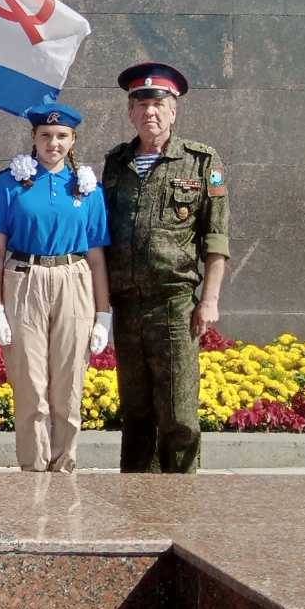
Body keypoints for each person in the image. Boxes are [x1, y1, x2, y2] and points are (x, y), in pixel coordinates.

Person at [102, 63, 229, 474]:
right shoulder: (115, 163)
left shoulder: (200, 162)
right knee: (135, 412)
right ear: (130, 113)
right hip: (126, 304)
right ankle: (136, 502)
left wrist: (208, 300)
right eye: (141, 105)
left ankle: (180, 502)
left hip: (174, 304)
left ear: (174, 111)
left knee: (178, 414)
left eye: (159, 105)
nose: (150, 113)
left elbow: (216, 239)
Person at [0, 104, 112, 474]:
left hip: (73, 278)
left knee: (70, 381)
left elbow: (97, 256)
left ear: (72, 141)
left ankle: (64, 464)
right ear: (34, 139)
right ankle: (33, 465)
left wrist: (103, 314)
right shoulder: (10, 182)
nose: (52, 143)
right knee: (29, 382)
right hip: (25, 276)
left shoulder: (87, 188)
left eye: (61, 137)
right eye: (45, 136)